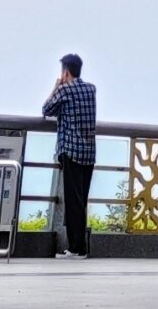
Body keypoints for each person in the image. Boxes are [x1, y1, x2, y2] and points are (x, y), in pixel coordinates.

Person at [42, 53, 98, 258]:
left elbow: (46, 109)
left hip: (72, 151)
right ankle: (78, 246)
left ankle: (76, 248)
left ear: (65, 72)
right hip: (89, 152)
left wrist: (56, 87)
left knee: (73, 202)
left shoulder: (65, 90)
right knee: (80, 200)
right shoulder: (91, 89)